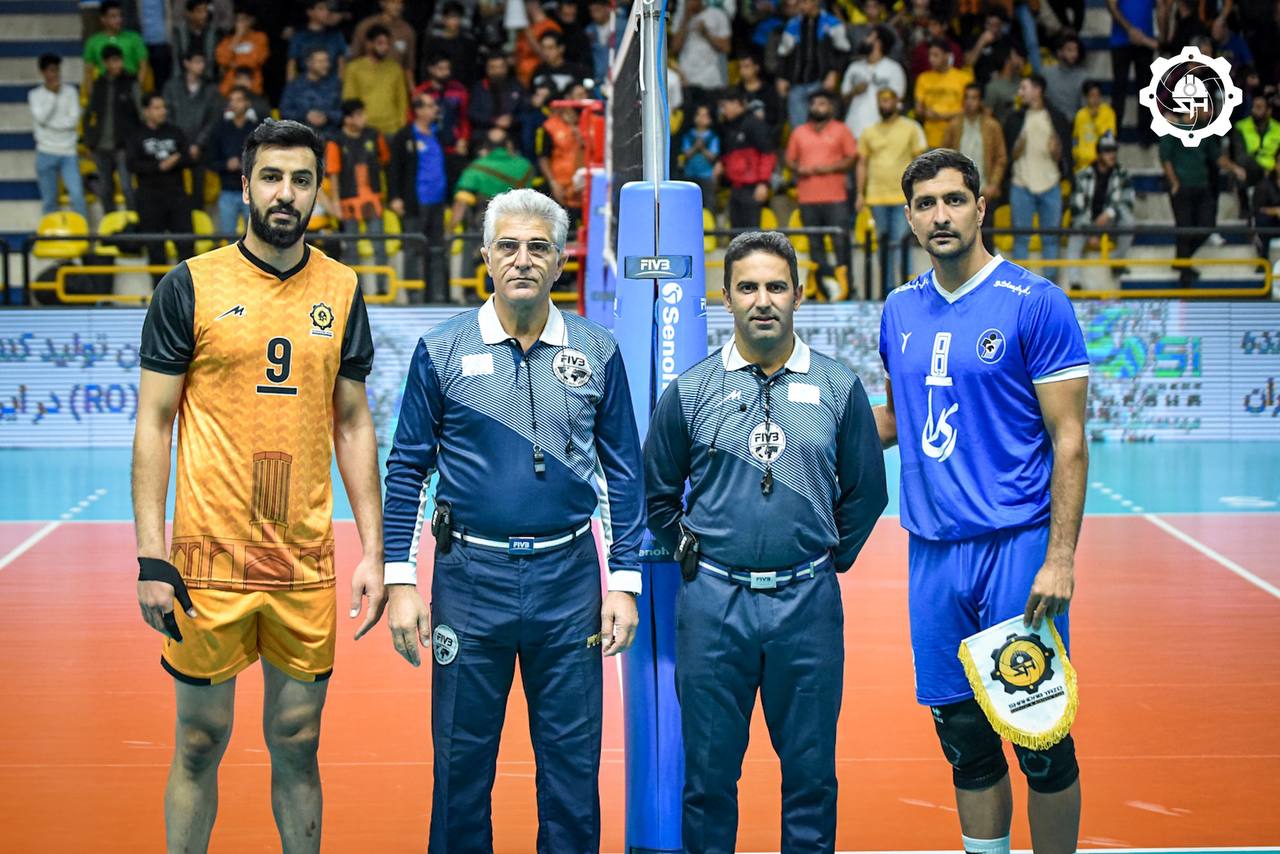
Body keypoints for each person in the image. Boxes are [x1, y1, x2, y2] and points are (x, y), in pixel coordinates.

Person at [133, 118, 385, 854]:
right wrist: (151, 555)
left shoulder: (342, 289)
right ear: (245, 187)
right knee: (199, 740)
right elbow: (154, 422)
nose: (286, 193)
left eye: (301, 180)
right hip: (206, 561)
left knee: (299, 739)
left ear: (317, 191)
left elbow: (353, 423)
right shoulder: (190, 284)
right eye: (271, 177)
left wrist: (374, 553)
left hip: (301, 561)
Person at [380, 187, 644, 853]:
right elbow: (407, 468)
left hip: (570, 582)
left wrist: (624, 582)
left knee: (573, 767)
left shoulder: (597, 350)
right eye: (508, 246)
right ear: (486, 258)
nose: (522, 259)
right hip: (469, 580)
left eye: (537, 247)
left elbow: (624, 473)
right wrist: (400, 580)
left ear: (561, 261)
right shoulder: (442, 350)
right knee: (460, 765)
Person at [643, 230, 887, 853]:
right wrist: (689, 551)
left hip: (807, 606)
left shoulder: (838, 387)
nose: (762, 300)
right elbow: (656, 492)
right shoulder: (691, 390)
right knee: (708, 779)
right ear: (726, 297)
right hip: (713, 607)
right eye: (747, 287)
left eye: (776, 286)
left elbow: (867, 491)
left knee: (811, 776)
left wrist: (827, 555)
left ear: (798, 295)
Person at [875, 148, 1088, 854]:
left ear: (980, 207)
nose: (941, 215)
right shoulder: (899, 309)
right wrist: (797, 429)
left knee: (1039, 738)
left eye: (954, 200)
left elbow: (1068, 438)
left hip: (1016, 549)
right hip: (933, 554)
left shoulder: (1035, 302)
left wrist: (1060, 559)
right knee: (963, 738)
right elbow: (896, 417)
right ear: (909, 218)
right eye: (925, 204)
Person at [785, 89, 857, 293]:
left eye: (822, 103)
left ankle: (846, 287)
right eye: (814, 104)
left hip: (836, 197)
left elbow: (852, 158)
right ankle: (823, 290)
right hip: (807, 198)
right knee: (815, 245)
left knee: (841, 243)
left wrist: (828, 168)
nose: (817, 107)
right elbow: (790, 160)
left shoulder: (841, 130)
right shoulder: (799, 132)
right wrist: (798, 168)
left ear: (831, 108)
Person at [856, 87, 927, 294]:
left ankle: (909, 288)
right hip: (876, 196)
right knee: (883, 245)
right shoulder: (869, 131)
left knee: (901, 243)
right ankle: (887, 289)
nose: (884, 104)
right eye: (881, 100)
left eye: (888, 100)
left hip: (902, 196)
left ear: (897, 102)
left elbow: (920, 162)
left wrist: (920, 191)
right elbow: (862, 163)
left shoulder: (911, 128)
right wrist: (860, 193)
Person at [388, 93, 450, 303]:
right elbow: (394, 168)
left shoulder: (439, 133)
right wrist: (395, 196)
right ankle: (414, 295)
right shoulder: (404, 136)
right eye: (430, 106)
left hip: (438, 201)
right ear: (419, 110)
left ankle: (437, 295)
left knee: (437, 250)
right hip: (415, 201)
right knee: (413, 249)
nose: (435, 109)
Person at [1004, 74, 1071, 263]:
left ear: (1037, 90)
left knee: (1051, 239)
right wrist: (1019, 145)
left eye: (1023, 88)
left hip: (1051, 184)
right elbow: (1009, 155)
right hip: (1021, 184)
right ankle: (1019, 281)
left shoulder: (1056, 118)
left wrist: (1056, 150)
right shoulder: (1015, 118)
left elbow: (1063, 156)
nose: (1020, 93)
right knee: (1021, 239)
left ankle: (1049, 281)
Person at [325, 99, 392, 286]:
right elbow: (334, 174)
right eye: (359, 115)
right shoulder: (336, 141)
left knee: (379, 244)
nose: (364, 118)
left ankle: (383, 287)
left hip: (373, 199)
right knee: (351, 248)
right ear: (347, 119)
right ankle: (355, 290)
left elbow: (385, 160)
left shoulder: (374, 136)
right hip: (348, 200)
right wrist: (336, 203)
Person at [126, 93, 193, 280]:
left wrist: (176, 160)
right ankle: (159, 291)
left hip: (176, 195)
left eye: (163, 107)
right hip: (149, 198)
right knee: (155, 247)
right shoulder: (136, 135)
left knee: (186, 245)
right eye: (157, 108)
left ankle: (189, 290)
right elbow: (131, 164)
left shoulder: (175, 132)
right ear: (146, 111)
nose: (162, 111)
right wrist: (159, 166)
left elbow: (189, 157)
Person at [1065, 132, 1135, 289]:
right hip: (1086, 222)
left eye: (1113, 150)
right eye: (1107, 151)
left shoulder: (1123, 175)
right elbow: (1076, 207)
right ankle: (1075, 283)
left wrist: (1109, 213)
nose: (1112, 155)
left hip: (1110, 221)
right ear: (1099, 154)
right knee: (1075, 236)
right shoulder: (1083, 175)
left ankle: (1116, 261)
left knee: (1128, 221)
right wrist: (1092, 231)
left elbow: (1128, 201)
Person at [162, 49, 223, 210]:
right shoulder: (172, 87)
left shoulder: (211, 89)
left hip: (201, 148)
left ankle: (198, 219)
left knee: (199, 190)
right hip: (176, 146)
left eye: (203, 62)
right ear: (186, 63)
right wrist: (182, 144)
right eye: (197, 62)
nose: (201, 66)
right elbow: (167, 116)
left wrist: (198, 144)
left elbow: (214, 120)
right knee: (174, 189)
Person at [29, 53, 87, 220]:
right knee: (49, 201)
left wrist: (51, 125)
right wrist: (53, 96)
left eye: (57, 70)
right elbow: (41, 117)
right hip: (45, 151)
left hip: (69, 152)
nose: (55, 74)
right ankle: (50, 234)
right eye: (51, 70)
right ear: (43, 72)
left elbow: (73, 120)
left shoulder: (70, 92)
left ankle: (83, 233)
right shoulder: (35, 95)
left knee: (77, 196)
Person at [776, 0, 850, 128]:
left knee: (822, 128)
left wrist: (834, 72)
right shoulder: (793, 24)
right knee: (799, 131)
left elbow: (844, 51)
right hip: (796, 85)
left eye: (804, 2)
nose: (801, 6)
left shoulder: (832, 23)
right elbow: (783, 53)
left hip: (821, 83)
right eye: (799, 3)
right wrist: (781, 77)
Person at [84, 44, 141, 211]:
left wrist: (136, 141)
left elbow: (140, 114)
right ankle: (110, 223)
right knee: (105, 189)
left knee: (127, 187)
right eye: (113, 61)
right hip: (101, 146)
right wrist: (89, 142)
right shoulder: (98, 84)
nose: (117, 65)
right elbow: (89, 114)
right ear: (105, 63)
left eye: (119, 60)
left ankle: (134, 222)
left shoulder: (131, 83)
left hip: (124, 145)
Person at [716, 87, 777, 229]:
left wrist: (763, 183)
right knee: (736, 233)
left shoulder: (754, 124)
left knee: (752, 233)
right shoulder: (729, 127)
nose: (723, 111)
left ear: (737, 104)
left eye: (725, 106)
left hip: (752, 188)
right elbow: (730, 155)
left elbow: (768, 155)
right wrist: (721, 163)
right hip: (735, 187)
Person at [206, 87, 259, 236]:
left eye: (238, 100)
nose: (234, 104)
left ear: (247, 103)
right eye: (231, 100)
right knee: (228, 238)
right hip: (227, 190)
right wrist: (226, 165)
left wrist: (247, 165)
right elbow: (210, 161)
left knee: (256, 238)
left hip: (253, 191)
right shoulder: (220, 129)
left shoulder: (257, 130)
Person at [943, 83, 1008, 205]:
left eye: (974, 98)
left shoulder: (992, 126)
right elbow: (944, 156)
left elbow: (1001, 158)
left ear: (981, 101)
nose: (969, 102)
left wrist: (994, 184)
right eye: (966, 97)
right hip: (958, 188)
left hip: (985, 189)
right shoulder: (954, 125)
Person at [840, 24, 907, 142]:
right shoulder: (854, 67)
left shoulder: (894, 68)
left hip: (881, 130)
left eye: (870, 36)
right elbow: (843, 97)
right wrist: (854, 91)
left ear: (878, 42)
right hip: (854, 126)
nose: (865, 40)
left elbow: (898, 100)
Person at [342, 25, 408, 138]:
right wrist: (356, 125)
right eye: (380, 43)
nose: (385, 47)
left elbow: (402, 99)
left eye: (387, 44)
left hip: (392, 128)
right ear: (368, 44)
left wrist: (402, 126)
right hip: (365, 128)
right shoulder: (354, 68)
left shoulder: (395, 68)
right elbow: (349, 99)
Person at [672, 0, 732, 119]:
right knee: (688, 121)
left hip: (711, 81)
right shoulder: (680, 17)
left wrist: (706, 34)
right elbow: (675, 48)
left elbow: (726, 47)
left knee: (710, 120)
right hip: (687, 81)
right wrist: (686, 19)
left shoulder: (717, 14)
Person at [915, 38, 974, 150]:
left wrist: (941, 116)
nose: (931, 59)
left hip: (957, 137)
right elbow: (919, 108)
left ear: (947, 56)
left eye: (936, 55)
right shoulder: (923, 78)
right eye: (930, 55)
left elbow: (969, 109)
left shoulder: (964, 79)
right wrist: (924, 112)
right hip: (930, 139)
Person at [83, 0, 149, 93]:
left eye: (120, 16)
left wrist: (135, 90)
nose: (119, 20)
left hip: (130, 87)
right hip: (105, 89)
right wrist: (94, 96)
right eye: (113, 16)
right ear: (103, 19)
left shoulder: (134, 38)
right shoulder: (93, 42)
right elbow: (88, 73)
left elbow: (143, 67)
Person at [350, 0, 417, 88]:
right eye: (393, 2)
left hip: (394, 86)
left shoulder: (407, 31)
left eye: (400, 3)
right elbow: (354, 59)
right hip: (367, 85)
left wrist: (413, 92)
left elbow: (408, 68)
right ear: (382, 3)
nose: (398, 6)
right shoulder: (366, 26)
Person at [279, 48, 343, 134]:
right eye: (320, 61)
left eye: (327, 61)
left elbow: (340, 114)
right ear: (308, 63)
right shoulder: (294, 86)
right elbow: (284, 112)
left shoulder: (334, 86)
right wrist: (305, 115)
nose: (326, 65)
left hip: (328, 136)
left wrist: (326, 116)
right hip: (300, 136)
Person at [287, 0, 347, 82]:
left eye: (327, 8)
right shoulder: (299, 36)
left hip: (331, 85)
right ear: (310, 12)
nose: (327, 12)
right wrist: (291, 86)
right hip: (304, 85)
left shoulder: (336, 35)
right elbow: (291, 65)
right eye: (321, 9)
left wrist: (339, 85)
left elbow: (341, 65)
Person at [214, 9, 269, 97]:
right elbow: (222, 60)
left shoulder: (260, 37)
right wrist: (237, 37)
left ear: (251, 21)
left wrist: (234, 64)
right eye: (237, 20)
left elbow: (256, 60)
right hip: (230, 84)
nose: (240, 23)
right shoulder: (227, 41)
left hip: (253, 82)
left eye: (243, 19)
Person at [680, 102, 721, 211]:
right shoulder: (688, 135)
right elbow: (686, 154)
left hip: (707, 175)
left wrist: (702, 148)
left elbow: (713, 156)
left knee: (708, 203)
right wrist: (695, 147)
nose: (702, 118)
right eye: (699, 115)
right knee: (689, 205)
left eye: (705, 115)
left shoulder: (713, 137)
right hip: (690, 174)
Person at [1071, 80, 1116, 172]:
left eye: (1097, 95)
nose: (1095, 99)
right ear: (1086, 97)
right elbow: (1076, 138)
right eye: (1091, 96)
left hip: (1100, 165)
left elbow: (1109, 137)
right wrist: (1077, 154)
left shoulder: (1108, 113)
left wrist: (1096, 119)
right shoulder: (1080, 114)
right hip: (1082, 164)